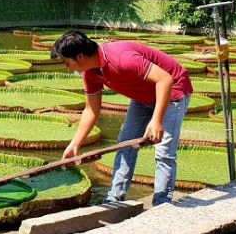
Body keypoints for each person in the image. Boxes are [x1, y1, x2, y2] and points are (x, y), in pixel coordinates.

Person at [50, 31, 193, 206]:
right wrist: (75, 144)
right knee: (126, 142)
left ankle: (161, 204)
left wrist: (156, 120)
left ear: (80, 57)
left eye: (67, 62)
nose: (68, 68)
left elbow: (165, 80)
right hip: (143, 96)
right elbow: (91, 110)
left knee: (163, 151)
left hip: (173, 92)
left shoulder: (122, 59)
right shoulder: (90, 73)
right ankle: (115, 198)